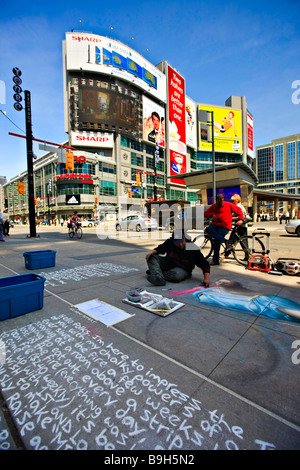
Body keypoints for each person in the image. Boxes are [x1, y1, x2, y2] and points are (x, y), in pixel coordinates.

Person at [145, 229, 210, 287]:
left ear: (184, 238)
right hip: (168, 264)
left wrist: (206, 279)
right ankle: (158, 276)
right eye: (177, 243)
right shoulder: (170, 242)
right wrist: (151, 252)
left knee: (176, 276)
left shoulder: (192, 247)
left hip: (182, 269)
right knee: (152, 257)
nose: (180, 244)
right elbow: (160, 249)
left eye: (181, 242)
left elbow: (204, 264)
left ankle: (156, 273)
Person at [204, 193, 244, 265]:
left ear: (223, 199)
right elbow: (205, 213)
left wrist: (241, 219)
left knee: (217, 241)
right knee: (207, 230)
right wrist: (211, 215)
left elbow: (238, 210)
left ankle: (216, 260)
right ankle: (225, 241)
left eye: (222, 199)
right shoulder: (214, 206)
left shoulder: (228, 205)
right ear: (216, 200)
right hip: (215, 225)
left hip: (224, 226)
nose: (221, 201)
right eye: (219, 200)